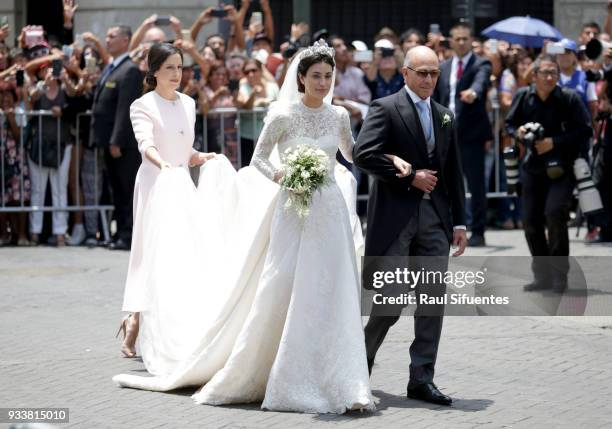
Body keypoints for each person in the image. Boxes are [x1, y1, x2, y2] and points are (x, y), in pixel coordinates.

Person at [113, 40, 374, 414]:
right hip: (292, 206)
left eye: (328, 76)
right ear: (300, 78)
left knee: (333, 288)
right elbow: (259, 161)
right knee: (282, 285)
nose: (323, 82)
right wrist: (285, 175)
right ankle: (276, 367)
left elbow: (352, 154)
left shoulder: (339, 117)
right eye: (316, 76)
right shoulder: (283, 115)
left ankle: (342, 377)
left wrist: (387, 157)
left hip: (329, 211)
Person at [354, 45, 467, 406]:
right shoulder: (384, 108)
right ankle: (360, 363)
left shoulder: (446, 115)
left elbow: (454, 172)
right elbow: (363, 154)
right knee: (390, 302)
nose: (429, 79)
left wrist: (461, 222)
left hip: (435, 219)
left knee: (432, 301)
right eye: (422, 72)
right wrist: (408, 177)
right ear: (405, 73)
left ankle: (421, 379)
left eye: (434, 73)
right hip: (397, 218)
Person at [116, 43, 216, 358]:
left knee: (182, 254)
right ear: (155, 70)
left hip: (181, 185)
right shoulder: (142, 105)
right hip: (155, 184)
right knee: (151, 253)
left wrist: (202, 157)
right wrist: (164, 166)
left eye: (180, 67)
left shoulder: (188, 103)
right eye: (170, 67)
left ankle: (175, 329)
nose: (177, 74)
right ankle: (135, 317)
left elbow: (185, 149)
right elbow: (146, 144)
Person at [505, 55, 592, 292]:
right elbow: (508, 124)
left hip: (562, 168)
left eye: (554, 72)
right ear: (534, 76)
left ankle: (559, 276)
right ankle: (541, 276)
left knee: (554, 213)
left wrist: (554, 142)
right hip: (533, 167)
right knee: (531, 222)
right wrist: (520, 132)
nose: (550, 77)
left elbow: (585, 130)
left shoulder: (569, 98)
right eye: (545, 72)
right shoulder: (524, 96)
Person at [434, 22, 492, 247]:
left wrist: (474, 92)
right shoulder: (444, 66)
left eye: (465, 38)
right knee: (445, 184)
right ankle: (448, 229)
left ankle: (478, 231)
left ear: (471, 40)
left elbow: (481, 81)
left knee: (476, 185)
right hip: (445, 133)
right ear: (451, 40)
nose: (461, 42)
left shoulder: (481, 63)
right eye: (457, 38)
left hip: (471, 135)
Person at [90, 25, 143, 250]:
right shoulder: (111, 68)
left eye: (112, 36)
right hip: (109, 141)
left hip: (121, 144)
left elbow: (125, 108)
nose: (107, 40)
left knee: (125, 189)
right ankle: (119, 232)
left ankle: (127, 234)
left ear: (125, 40)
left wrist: (116, 140)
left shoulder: (129, 69)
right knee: (116, 190)